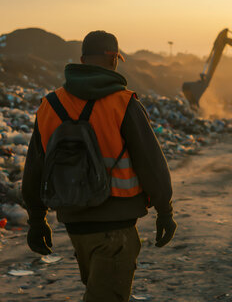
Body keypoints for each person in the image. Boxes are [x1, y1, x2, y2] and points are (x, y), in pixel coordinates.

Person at [22, 30, 177, 302]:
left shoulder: (49, 105)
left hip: (75, 226)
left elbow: (35, 168)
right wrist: (165, 210)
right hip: (116, 228)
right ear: (115, 60)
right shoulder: (123, 103)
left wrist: (37, 220)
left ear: (82, 60)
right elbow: (151, 163)